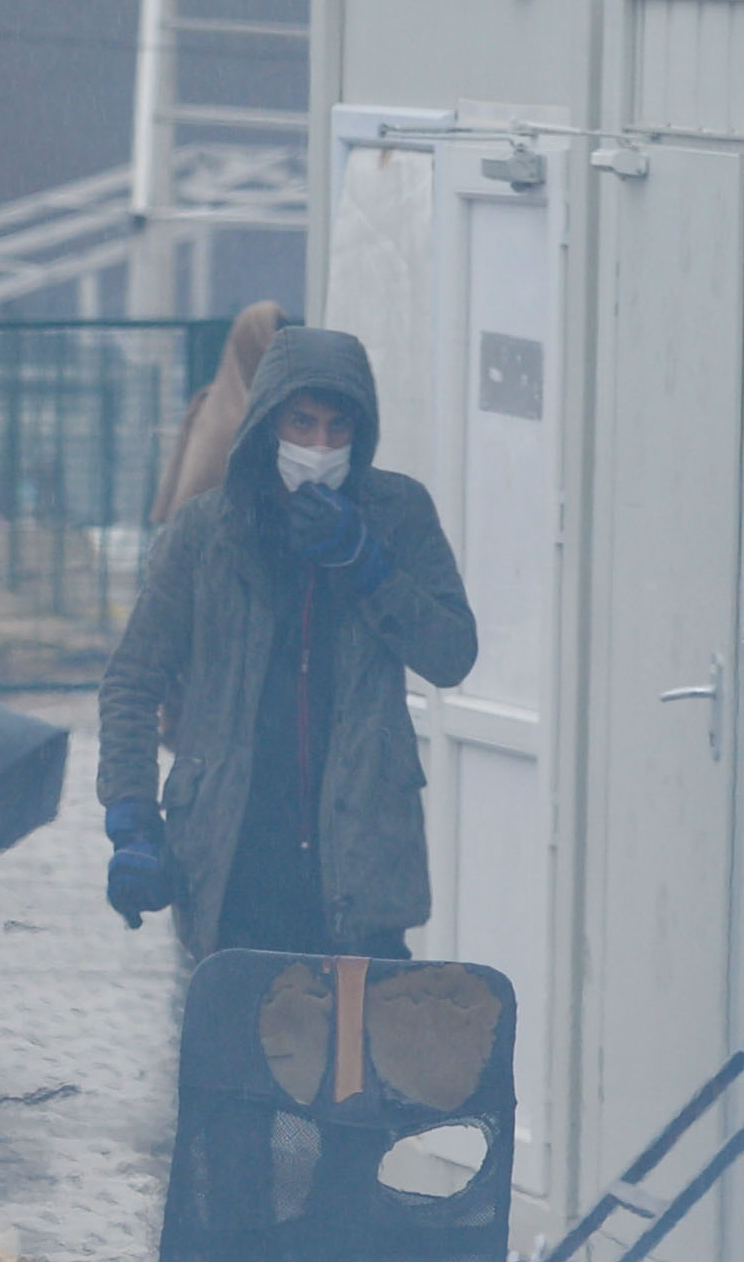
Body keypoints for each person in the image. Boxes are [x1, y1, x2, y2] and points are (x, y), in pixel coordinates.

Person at [93, 324, 478, 957]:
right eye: (301, 423)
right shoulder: (207, 531)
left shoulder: (398, 513)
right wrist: (132, 819)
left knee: (357, 1052)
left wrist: (368, 566)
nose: (319, 445)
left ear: (362, 431)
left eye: (337, 428)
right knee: (241, 1047)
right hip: (235, 863)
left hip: (361, 867)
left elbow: (451, 653)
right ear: (268, 421)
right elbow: (133, 679)